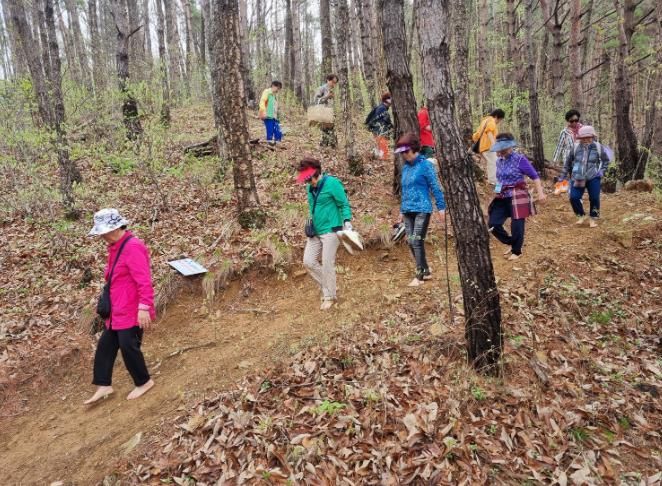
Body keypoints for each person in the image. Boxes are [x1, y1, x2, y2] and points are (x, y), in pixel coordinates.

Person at [85, 209, 156, 404]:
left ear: (115, 228)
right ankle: (104, 385)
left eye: (103, 232)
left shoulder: (133, 247)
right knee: (105, 346)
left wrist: (144, 307)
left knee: (128, 345)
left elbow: (144, 280)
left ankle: (144, 382)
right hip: (117, 309)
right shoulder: (115, 247)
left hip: (132, 308)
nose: (101, 236)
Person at [297, 157, 352, 310]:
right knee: (308, 262)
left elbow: (343, 204)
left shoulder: (332, 183)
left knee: (328, 264)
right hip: (316, 230)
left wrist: (347, 221)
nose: (309, 183)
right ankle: (329, 286)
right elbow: (312, 207)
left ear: (317, 173)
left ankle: (329, 296)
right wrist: (311, 222)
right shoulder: (310, 188)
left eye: (309, 179)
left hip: (331, 230)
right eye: (306, 180)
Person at [394, 133, 446, 287]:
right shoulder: (405, 168)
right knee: (411, 241)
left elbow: (435, 187)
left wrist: (441, 207)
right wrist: (401, 211)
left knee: (416, 240)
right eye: (402, 152)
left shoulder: (426, 166)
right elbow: (405, 191)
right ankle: (426, 271)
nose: (404, 155)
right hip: (407, 210)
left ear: (414, 149)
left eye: (406, 151)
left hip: (422, 209)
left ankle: (420, 276)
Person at [487, 133, 546, 261]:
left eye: (504, 148)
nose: (501, 151)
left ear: (510, 146)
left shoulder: (520, 159)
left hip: (518, 195)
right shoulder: (499, 161)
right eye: (500, 148)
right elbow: (499, 180)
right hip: (502, 195)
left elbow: (535, 176)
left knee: (517, 225)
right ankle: (511, 242)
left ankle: (517, 251)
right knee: (493, 223)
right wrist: (497, 192)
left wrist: (540, 193)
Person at [561, 125, 610, 228]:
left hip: (593, 177)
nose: (586, 139)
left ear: (592, 136)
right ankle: (581, 215)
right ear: (580, 138)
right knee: (574, 197)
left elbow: (606, 161)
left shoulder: (598, 147)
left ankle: (593, 218)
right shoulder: (575, 147)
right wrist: (563, 176)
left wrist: (601, 172)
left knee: (594, 198)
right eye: (583, 138)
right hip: (578, 176)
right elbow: (567, 163)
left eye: (588, 137)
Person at [472, 108, 505, 184]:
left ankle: (492, 181)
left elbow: (476, 136)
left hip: (483, 148)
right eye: (500, 120)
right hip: (489, 147)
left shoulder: (484, 121)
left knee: (491, 163)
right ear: (496, 116)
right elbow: (489, 133)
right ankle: (494, 182)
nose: (499, 122)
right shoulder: (491, 121)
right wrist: (495, 147)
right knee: (494, 163)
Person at [365, 93, 394, 160]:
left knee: (381, 149)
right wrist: (392, 127)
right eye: (390, 98)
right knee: (384, 150)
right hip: (380, 132)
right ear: (386, 100)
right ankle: (383, 162)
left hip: (378, 131)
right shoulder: (382, 108)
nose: (392, 99)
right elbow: (385, 120)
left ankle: (380, 160)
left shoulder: (382, 107)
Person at [314, 74, 338, 148]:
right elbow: (316, 100)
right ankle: (323, 147)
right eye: (333, 82)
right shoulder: (321, 88)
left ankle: (333, 147)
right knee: (325, 131)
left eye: (335, 83)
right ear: (328, 80)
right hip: (323, 112)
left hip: (330, 112)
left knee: (332, 130)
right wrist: (327, 96)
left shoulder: (333, 90)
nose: (334, 84)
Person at [259, 80, 283, 145]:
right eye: (277, 88)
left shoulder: (274, 95)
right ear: (273, 86)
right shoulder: (267, 92)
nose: (278, 90)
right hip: (267, 115)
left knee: (278, 130)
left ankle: (277, 143)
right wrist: (263, 111)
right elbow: (262, 101)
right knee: (270, 130)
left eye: (279, 89)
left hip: (274, 116)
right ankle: (270, 144)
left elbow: (274, 106)